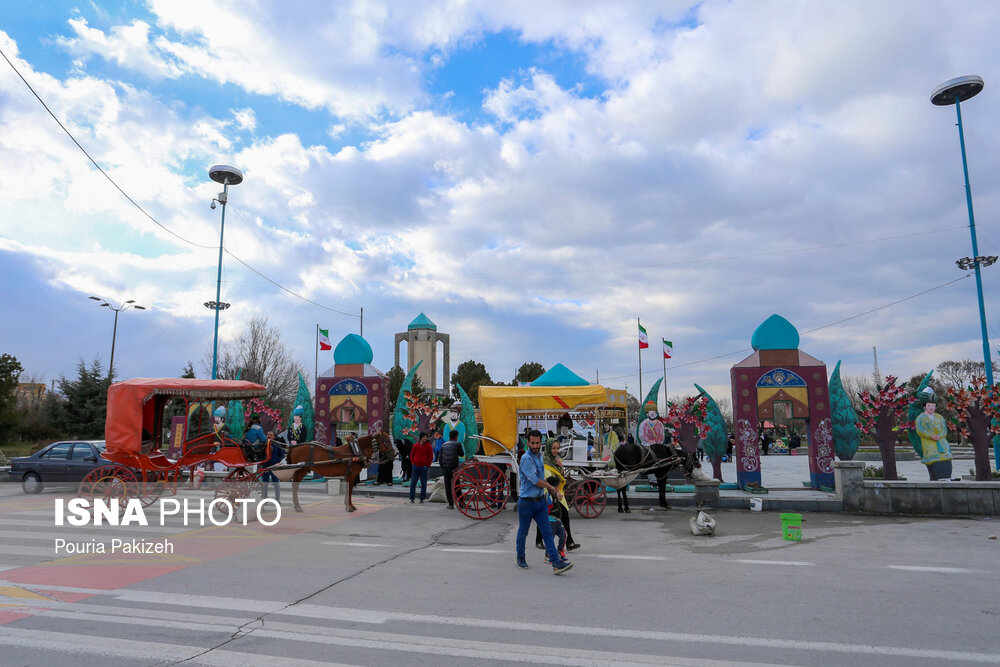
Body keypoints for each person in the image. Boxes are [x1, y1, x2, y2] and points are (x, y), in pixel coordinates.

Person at [516, 430, 572, 575]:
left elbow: (543, 478)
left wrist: (553, 492)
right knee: (523, 531)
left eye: (537, 443)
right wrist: (551, 488)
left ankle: (556, 563)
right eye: (532, 443)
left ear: (541, 443)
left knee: (547, 533)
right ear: (528, 443)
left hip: (540, 501)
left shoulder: (540, 457)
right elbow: (536, 481)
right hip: (527, 503)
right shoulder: (526, 459)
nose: (535, 445)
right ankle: (520, 557)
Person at [915, 392, 954, 480]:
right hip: (930, 445)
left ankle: (947, 477)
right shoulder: (920, 418)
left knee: (946, 461)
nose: (931, 408)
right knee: (936, 463)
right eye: (929, 406)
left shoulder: (940, 417)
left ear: (935, 407)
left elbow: (944, 430)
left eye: (933, 406)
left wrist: (939, 436)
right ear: (925, 407)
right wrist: (930, 436)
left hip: (942, 443)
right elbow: (920, 430)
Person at [438, 430, 464, 509]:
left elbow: (440, 458)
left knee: (448, 486)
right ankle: (461, 503)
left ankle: (450, 504)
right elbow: (461, 454)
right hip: (454, 467)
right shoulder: (457, 444)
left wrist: (443, 466)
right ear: (456, 436)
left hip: (446, 467)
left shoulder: (444, 445)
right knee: (457, 485)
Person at [260, 430, 285, 501]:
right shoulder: (263, 445)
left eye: (271, 435)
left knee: (276, 484)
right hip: (265, 467)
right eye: (268, 434)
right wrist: (262, 463)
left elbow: (282, 455)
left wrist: (278, 462)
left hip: (274, 468)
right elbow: (260, 455)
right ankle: (265, 499)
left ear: (273, 437)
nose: (269, 436)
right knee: (265, 484)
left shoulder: (277, 445)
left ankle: (277, 499)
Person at [409, 432, 433, 503]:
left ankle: (422, 498)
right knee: (413, 483)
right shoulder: (415, 445)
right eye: (424, 437)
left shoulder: (429, 446)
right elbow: (411, 455)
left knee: (423, 483)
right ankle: (412, 498)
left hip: (424, 467)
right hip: (415, 467)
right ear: (421, 438)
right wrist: (413, 463)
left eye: (426, 437)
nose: (425, 438)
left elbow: (430, 457)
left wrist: (427, 465)